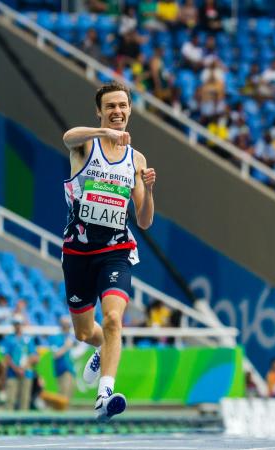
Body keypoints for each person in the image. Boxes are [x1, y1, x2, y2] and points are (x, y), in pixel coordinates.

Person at [61, 81, 157, 421]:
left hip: (116, 249)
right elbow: (67, 137)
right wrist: (105, 133)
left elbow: (144, 221)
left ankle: (105, 395)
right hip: (78, 250)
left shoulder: (137, 159)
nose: (118, 111)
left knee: (114, 318)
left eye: (122, 105)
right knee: (85, 332)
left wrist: (147, 190)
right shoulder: (86, 144)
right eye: (111, 106)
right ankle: (101, 348)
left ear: (130, 110)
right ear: (101, 111)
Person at [1, 315, 38, 411]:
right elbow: (6, 356)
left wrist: (23, 368)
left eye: (19, 323)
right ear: (13, 325)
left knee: (25, 399)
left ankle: (23, 424)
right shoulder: (8, 339)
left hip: (26, 373)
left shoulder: (28, 339)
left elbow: (33, 356)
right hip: (12, 373)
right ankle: (7, 423)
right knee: (10, 399)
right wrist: (16, 369)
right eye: (16, 323)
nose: (18, 326)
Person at [49, 316, 77, 404]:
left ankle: (65, 413)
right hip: (61, 369)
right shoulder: (56, 337)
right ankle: (61, 414)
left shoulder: (71, 337)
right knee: (63, 393)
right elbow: (55, 355)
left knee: (69, 393)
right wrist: (66, 346)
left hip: (70, 368)